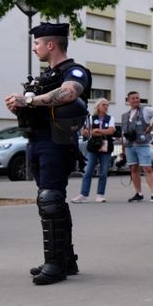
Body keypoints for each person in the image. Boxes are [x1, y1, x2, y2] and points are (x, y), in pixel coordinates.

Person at [5, 22, 91, 285]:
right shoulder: (43, 77)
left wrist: (28, 100)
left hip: (57, 142)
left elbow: (69, 93)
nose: (35, 48)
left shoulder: (74, 71)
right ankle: (65, 259)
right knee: (53, 202)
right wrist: (19, 106)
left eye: (37, 44)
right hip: (38, 140)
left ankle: (55, 265)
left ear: (51, 45)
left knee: (51, 199)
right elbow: (38, 104)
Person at [121, 91, 153, 203]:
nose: (136, 100)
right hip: (129, 145)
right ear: (128, 101)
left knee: (147, 168)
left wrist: (151, 125)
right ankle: (138, 193)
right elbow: (123, 133)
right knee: (133, 169)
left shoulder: (146, 110)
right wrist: (123, 148)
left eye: (137, 98)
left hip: (142, 144)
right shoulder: (125, 115)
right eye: (133, 98)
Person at [72, 98, 115, 203]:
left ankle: (100, 195)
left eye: (107, 105)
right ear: (98, 106)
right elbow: (86, 132)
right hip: (93, 147)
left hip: (106, 147)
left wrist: (97, 130)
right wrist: (96, 132)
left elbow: (111, 131)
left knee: (103, 172)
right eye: (104, 105)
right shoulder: (91, 118)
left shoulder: (110, 118)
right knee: (88, 171)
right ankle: (83, 194)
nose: (106, 107)